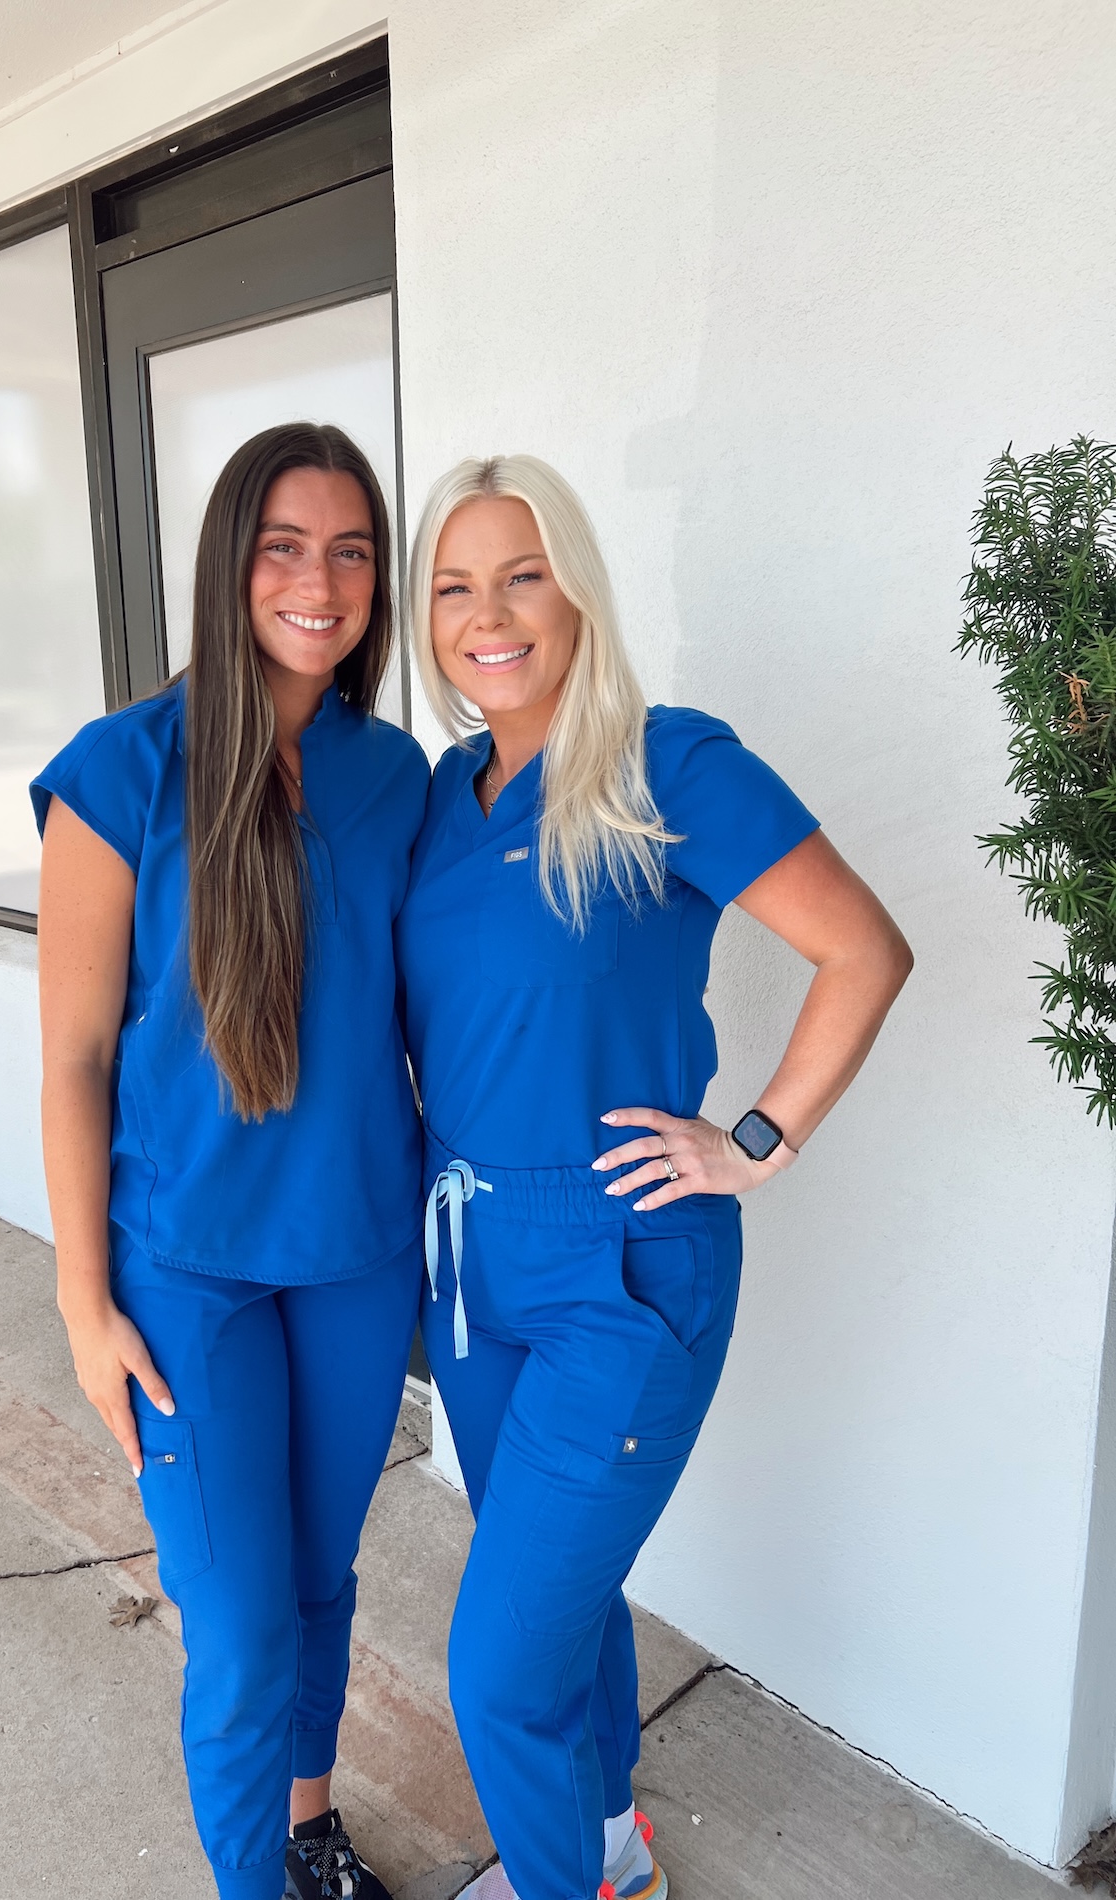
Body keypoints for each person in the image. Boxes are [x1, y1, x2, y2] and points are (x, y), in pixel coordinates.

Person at [395, 455, 912, 1900]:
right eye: (451, 586)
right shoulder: (444, 795)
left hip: (619, 1264)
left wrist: (752, 1141)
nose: (485, 614)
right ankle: (609, 1848)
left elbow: (861, 952)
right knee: (555, 1603)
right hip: (471, 1260)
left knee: (493, 1672)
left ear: (575, 590)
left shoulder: (663, 763)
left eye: (520, 574)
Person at [32, 423, 428, 1900]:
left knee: (318, 1589)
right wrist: (85, 1303)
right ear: (227, 565)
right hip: (185, 1270)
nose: (317, 582)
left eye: (348, 549)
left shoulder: (396, 777)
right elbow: (73, 1058)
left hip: (356, 1253)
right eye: (282, 546)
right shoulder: (123, 769)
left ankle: (306, 1830)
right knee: (245, 1623)